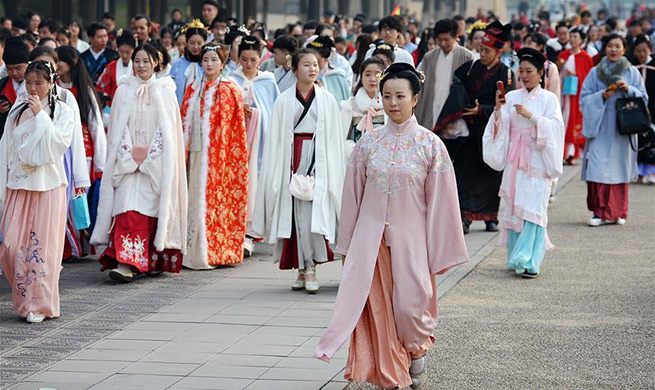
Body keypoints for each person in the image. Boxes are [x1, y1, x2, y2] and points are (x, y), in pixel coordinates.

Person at [315, 63, 468, 389]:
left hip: (413, 243)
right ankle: (390, 373)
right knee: (379, 310)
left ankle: (415, 351)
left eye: (400, 96)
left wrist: (438, 251)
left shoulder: (430, 146)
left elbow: (443, 203)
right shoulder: (368, 144)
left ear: (414, 99)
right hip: (370, 243)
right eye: (387, 96)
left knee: (411, 308)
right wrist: (346, 246)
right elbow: (352, 198)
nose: (393, 102)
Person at [91, 43, 187, 282]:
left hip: (154, 165)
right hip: (126, 164)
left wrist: (149, 155)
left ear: (157, 62)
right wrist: (129, 154)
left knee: (150, 211)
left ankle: (150, 260)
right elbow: (116, 129)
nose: (141, 65)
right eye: (137, 61)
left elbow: (168, 133)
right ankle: (127, 261)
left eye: (146, 61)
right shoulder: (123, 90)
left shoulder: (165, 91)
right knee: (126, 209)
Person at [252, 48, 346, 294]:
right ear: (295, 69)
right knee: (295, 215)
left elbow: (334, 138)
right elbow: (276, 139)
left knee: (311, 213)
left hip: (318, 160)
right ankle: (302, 268)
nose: (312, 69)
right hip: (291, 160)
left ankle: (310, 267)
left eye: (315, 64)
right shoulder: (284, 99)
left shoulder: (327, 98)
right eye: (306, 65)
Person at [0, 60, 75, 323]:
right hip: (19, 186)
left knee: (42, 249)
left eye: (38, 83)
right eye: (29, 83)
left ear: (51, 83)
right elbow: (6, 149)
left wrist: (41, 116)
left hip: (48, 187)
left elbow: (57, 146)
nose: (32, 88)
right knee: (11, 247)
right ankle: (24, 300)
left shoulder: (62, 111)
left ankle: (41, 305)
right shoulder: (17, 111)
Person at [482, 48, 564, 278]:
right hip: (516, 161)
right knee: (517, 207)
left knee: (535, 208)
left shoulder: (549, 99)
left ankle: (529, 260)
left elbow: (556, 128)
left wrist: (534, 118)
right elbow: (500, 127)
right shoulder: (512, 97)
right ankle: (516, 257)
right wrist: (498, 109)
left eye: (530, 71)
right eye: (521, 71)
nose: (525, 75)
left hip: (537, 157)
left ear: (540, 74)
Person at [434, 20, 514, 234]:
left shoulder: (505, 73)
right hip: (468, 130)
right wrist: (463, 104)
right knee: (464, 173)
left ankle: (491, 217)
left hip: (490, 129)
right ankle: (465, 217)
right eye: (481, 50)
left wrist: (483, 110)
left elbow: (507, 103)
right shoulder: (471, 68)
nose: (483, 54)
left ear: (498, 52)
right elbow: (458, 83)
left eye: (487, 51)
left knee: (491, 172)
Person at [181, 43, 249, 269]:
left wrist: (223, 153)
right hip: (194, 153)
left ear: (222, 63)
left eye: (214, 60)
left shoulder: (230, 88)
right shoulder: (193, 87)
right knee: (191, 197)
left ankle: (215, 250)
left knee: (215, 199)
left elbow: (234, 129)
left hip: (219, 155)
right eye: (206, 59)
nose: (209, 64)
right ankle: (189, 249)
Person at [580, 34, 648, 227]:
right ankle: (599, 212)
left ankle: (618, 211)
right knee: (598, 168)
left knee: (619, 169)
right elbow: (583, 99)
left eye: (617, 46)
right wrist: (602, 95)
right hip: (600, 126)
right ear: (605, 49)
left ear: (624, 50)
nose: (613, 50)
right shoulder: (595, 72)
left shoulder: (632, 72)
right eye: (610, 46)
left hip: (623, 129)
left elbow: (644, 98)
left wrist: (629, 90)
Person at [230, 36, 280, 255]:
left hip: (259, 141)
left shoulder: (268, 82)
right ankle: (236, 230)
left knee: (256, 183)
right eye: (244, 59)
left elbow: (274, 113)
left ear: (260, 59)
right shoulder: (231, 80)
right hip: (237, 139)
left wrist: (256, 114)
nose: (248, 64)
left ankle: (251, 232)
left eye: (253, 59)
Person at [56, 46, 107, 258]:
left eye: (60, 60)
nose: (56, 64)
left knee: (76, 200)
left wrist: (100, 164)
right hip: (59, 151)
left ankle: (77, 247)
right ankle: (66, 248)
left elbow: (96, 125)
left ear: (72, 62)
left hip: (82, 152)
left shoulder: (83, 90)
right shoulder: (53, 87)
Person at [415, 19, 474, 131]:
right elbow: (421, 86)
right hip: (432, 106)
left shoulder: (466, 56)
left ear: (456, 36)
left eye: (447, 40)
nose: (442, 44)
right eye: (439, 40)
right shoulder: (429, 57)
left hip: (453, 112)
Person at [558, 27, 594, 164]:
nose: (572, 39)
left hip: (577, 95)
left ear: (582, 40)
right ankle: (563, 152)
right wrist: (561, 67)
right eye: (571, 36)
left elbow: (588, 77)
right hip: (564, 94)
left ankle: (572, 153)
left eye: (575, 37)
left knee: (574, 121)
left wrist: (575, 75)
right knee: (564, 119)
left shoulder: (585, 57)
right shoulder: (563, 55)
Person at [340, 57, 385, 155]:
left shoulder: (389, 104)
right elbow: (341, 136)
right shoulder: (350, 105)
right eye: (367, 74)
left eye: (377, 74)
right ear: (361, 77)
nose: (372, 79)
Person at [632, 34, 655, 184]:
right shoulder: (633, 68)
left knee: (653, 141)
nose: (641, 54)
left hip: (653, 109)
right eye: (639, 51)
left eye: (644, 51)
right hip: (638, 110)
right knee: (640, 141)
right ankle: (640, 171)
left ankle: (652, 171)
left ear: (650, 50)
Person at [170, 19, 207, 105]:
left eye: (199, 43)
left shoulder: (208, 65)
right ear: (186, 43)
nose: (195, 46)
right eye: (192, 43)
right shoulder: (177, 65)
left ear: (205, 43)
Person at [97, 30, 136, 108]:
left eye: (127, 52)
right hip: (113, 106)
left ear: (133, 50)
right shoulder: (110, 67)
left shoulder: (138, 67)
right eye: (121, 52)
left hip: (133, 106)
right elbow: (101, 86)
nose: (124, 55)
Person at [0, 37, 29, 136]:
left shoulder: (37, 85)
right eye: (9, 69)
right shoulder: (2, 85)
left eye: (18, 68)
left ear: (27, 64)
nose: (14, 73)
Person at [310, 36, 350, 104]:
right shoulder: (303, 75)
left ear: (326, 59)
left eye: (317, 62)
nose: (313, 67)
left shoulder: (337, 76)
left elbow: (341, 102)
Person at [521, 32, 561, 99]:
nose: (525, 46)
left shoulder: (550, 67)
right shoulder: (521, 65)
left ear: (540, 46)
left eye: (529, 43)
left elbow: (555, 93)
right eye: (524, 43)